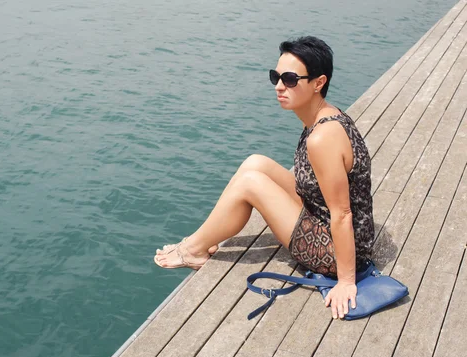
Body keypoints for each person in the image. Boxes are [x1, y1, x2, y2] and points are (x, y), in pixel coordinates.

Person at [154, 36, 375, 320]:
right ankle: (203, 239)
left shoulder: (323, 137)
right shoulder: (326, 117)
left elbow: (342, 213)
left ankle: (193, 250)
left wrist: (346, 282)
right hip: (326, 221)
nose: (280, 86)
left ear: (318, 83)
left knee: (251, 184)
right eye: (276, 77)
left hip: (336, 250)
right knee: (255, 163)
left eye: (291, 79)